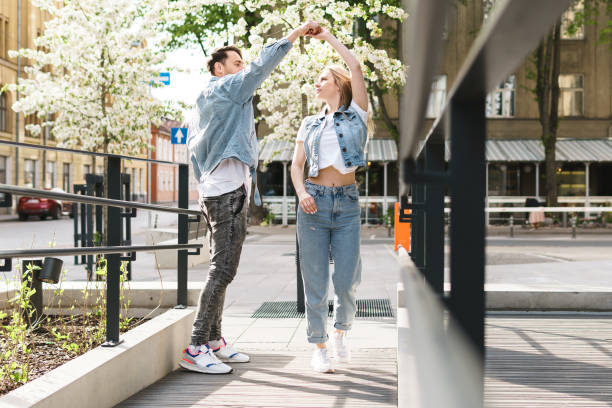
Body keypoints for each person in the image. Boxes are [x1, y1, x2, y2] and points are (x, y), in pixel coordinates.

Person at [181, 21, 322, 375]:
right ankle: (196, 346)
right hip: (226, 192)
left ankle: (213, 340)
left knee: (223, 269)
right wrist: (296, 32)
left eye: (241, 64)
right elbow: (262, 65)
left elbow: (195, 151)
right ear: (219, 68)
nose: (243, 68)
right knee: (223, 269)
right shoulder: (225, 90)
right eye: (236, 63)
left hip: (225, 190)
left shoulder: (213, 99)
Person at [290, 27, 371, 374]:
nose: (316, 84)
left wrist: (328, 39)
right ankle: (319, 345)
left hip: (347, 205)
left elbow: (356, 67)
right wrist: (303, 193)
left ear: (337, 83)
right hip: (313, 205)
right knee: (315, 281)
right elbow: (296, 167)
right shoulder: (308, 124)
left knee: (347, 282)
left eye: (322, 78)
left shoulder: (358, 115)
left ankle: (340, 332)